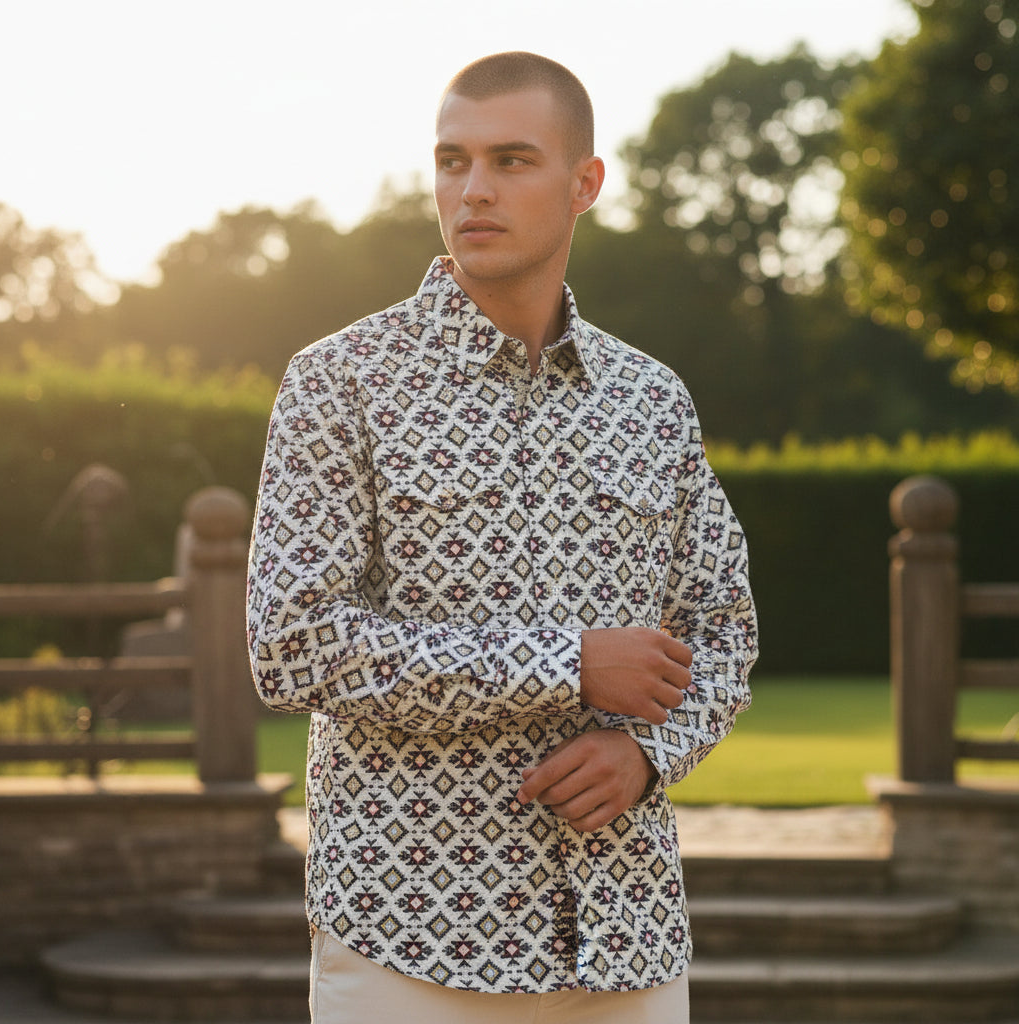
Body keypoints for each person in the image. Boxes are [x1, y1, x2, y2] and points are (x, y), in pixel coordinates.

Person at [247, 51, 757, 1024]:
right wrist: (568, 664)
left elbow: (723, 631)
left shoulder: (651, 400)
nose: (472, 189)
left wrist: (650, 751)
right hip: (410, 943)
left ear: (584, 183)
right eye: (453, 160)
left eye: (511, 160)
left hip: (627, 941)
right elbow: (292, 644)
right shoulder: (340, 382)